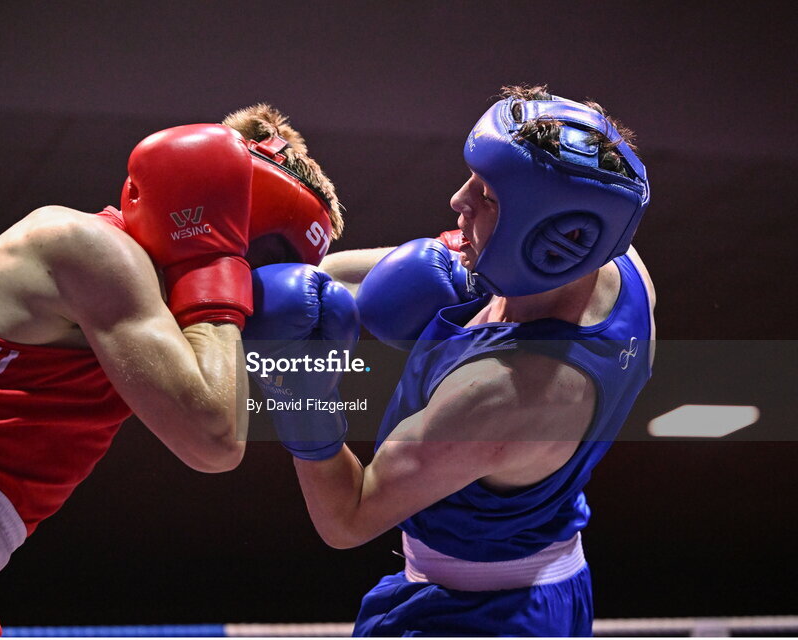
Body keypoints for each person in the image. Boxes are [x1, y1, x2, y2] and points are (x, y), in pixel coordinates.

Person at [0, 104, 343, 637]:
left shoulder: (150, 302)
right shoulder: (85, 246)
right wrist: (214, 267)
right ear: (220, 216)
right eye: (257, 256)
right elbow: (215, 440)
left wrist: (435, 253)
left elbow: (343, 281)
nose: (253, 282)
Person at [245, 85, 655, 636]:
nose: (458, 200)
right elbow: (354, 280)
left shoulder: (502, 394)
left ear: (553, 237)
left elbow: (348, 517)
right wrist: (240, 292)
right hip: (550, 573)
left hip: (475, 618)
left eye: (487, 195)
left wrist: (296, 386)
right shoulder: (619, 264)